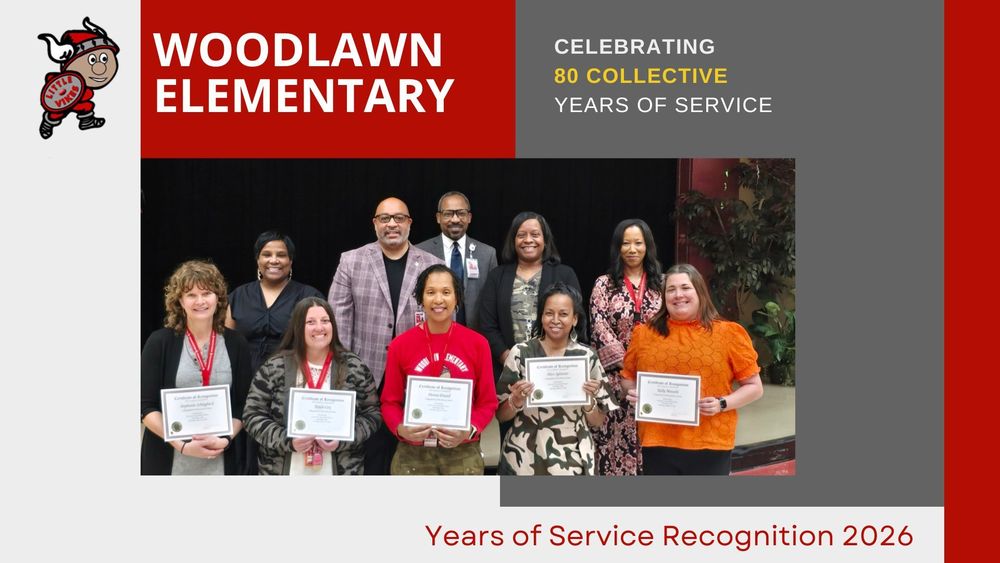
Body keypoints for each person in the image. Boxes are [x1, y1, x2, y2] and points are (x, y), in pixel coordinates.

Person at [329, 197, 444, 474]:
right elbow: (338, 320)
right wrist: (345, 372)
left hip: (415, 379)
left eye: (399, 218)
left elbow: (440, 322)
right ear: (375, 223)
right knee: (368, 458)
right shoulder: (352, 260)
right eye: (385, 218)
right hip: (365, 376)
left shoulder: (433, 265)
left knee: (410, 461)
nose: (392, 224)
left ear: (409, 223)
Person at [621, 263, 764, 475]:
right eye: (671, 289)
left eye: (685, 288)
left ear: (700, 291)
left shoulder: (729, 334)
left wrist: (722, 404)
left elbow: (754, 387)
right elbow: (627, 377)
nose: (678, 295)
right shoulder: (644, 334)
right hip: (658, 442)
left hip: (710, 443)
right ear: (664, 296)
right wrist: (633, 392)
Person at [242, 297, 381, 475]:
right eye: (310, 322)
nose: (319, 328)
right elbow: (252, 415)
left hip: (341, 469)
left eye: (325, 321)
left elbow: (372, 414)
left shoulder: (354, 367)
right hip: (283, 469)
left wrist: (343, 440)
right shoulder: (275, 367)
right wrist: (288, 441)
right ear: (298, 328)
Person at [381, 265, 498, 475]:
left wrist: (469, 429)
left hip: (462, 451)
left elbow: (488, 402)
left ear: (457, 298)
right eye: (430, 292)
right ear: (420, 298)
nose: (438, 300)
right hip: (413, 454)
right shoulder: (400, 345)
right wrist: (400, 428)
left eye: (446, 292)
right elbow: (390, 402)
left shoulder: (478, 344)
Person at [140, 260, 252, 475]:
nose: (200, 301)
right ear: (179, 301)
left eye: (206, 293)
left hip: (221, 459)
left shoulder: (236, 343)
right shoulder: (159, 342)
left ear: (218, 298)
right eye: (191, 295)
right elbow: (146, 406)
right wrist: (180, 444)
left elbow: (244, 404)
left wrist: (225, 439)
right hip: (169, 459)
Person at [495, 283, 615, 475]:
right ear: (541, 316)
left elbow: (598, 421)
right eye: (549, 313)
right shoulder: (521, 352)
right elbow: (500, 415)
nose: (555, 320)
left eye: (564, 314)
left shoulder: (587, 357)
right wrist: (515, 400)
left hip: (572, 456)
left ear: (575, 319)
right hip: (524, 454)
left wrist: (589, 402)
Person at [589, 219, 664, 476]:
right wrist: (628, 367)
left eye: (638, 243)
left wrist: (650, 365)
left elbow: (672, 326)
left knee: (651, 440)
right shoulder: (604, 284)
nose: (632, 249)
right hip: (615, 380)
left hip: (655, 377)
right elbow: (599, 326)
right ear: (617, 247)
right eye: (626, 243)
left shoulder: (662, 284)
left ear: (648, 246)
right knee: (612, 442)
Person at [478, 211, 586, 380]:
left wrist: (555, 360)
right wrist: (508, 359)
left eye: (535, 234)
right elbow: (487, 324)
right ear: (513, 240)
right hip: (507, 369)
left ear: (545, 240)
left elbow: (575, 320)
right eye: (521, 235)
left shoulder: (565, 274)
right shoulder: (496, 276)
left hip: (555, 369)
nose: (528, 240)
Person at [226, 231, 324, 373]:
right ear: (257, 260)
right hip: (242, 377)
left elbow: (320, 342)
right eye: (267, 255)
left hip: (292, 377)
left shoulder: (309, 297)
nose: (274, 260)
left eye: (281, 255)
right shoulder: (238, 296)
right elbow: (227, 343)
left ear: (290, 261)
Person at [415, 191, 498, 330]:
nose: (455, 219)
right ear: (438, 217)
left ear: (469, 217)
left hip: (474, 337)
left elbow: (492, 302)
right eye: (448, 214)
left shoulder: (487, 254)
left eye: (461, 213)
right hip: (432, 333)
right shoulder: (421, 252)